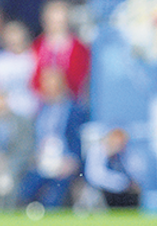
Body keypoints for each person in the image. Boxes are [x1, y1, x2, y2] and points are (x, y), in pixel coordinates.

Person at [17, 67, 88, 210]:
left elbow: (79, 139)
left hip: (65, 162)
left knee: (53, 199)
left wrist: (73, 160)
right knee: (24, 193)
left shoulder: (74, 110)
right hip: (42, 161)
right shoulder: (41, 109)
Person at [84, 127, 141, 209]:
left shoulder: (125, 153)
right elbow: (95, 176)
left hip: (124, 189)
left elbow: (135, 171)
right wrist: (120, 182)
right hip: (103, 189)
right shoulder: (97, 151)